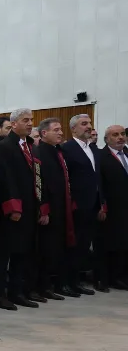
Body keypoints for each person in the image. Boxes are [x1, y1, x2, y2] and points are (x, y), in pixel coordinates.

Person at [0, 108, 41, 309]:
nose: (30, 124)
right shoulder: (4, 147)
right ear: (13, 124)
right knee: (5, 252)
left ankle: (17, 291)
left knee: (23, 251)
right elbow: (5, 179)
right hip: (11, 210)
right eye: (25, 120)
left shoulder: (31, 146)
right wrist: (13, 207)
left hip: (30, 205)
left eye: (31, 120)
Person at [59, 114, 102, 296]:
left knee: (84, 245)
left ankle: (76, 280)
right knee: (71, 245)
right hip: (76, 205)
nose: (89, 127)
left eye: (89, 123)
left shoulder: (92, 148)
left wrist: (102, 203)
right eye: (84, 124)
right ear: (73, 129)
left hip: (92, 204)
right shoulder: (67, 149)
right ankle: (65, 282)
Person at [34, 118, 75, 300]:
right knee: (46, 249)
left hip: (62, 205)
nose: (60, 133)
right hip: (49, 208)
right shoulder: (40, 152)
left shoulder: (59, 151)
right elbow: (39, 182)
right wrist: (44, 208)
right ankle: (43, 285)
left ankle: (57, 283)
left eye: (60, 129)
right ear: (44, 133)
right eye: (56, 130)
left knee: (59, 247)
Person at [95, 125, 128, 290]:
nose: (120, 137)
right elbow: (99, 183)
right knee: (112, 243)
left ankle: (123, 275)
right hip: (112, 207)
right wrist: (102, 204)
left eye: (122, 134)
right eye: (115, 135)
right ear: (107, 139)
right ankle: (110, 277)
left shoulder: (127, 154)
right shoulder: (101, 156)